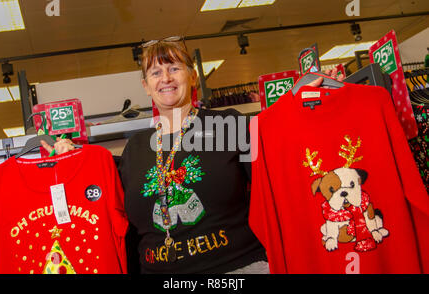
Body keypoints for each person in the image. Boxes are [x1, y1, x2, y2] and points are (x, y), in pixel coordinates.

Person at [42, 37, 342, 274]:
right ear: (146, 86)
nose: (166, 78)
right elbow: (104, 200)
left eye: (174, 68)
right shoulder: (135, 148)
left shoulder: (225, 125)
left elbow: (281, 164)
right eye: (156, 72)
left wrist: (314, 98)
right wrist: (69, 158)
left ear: (192, 76)